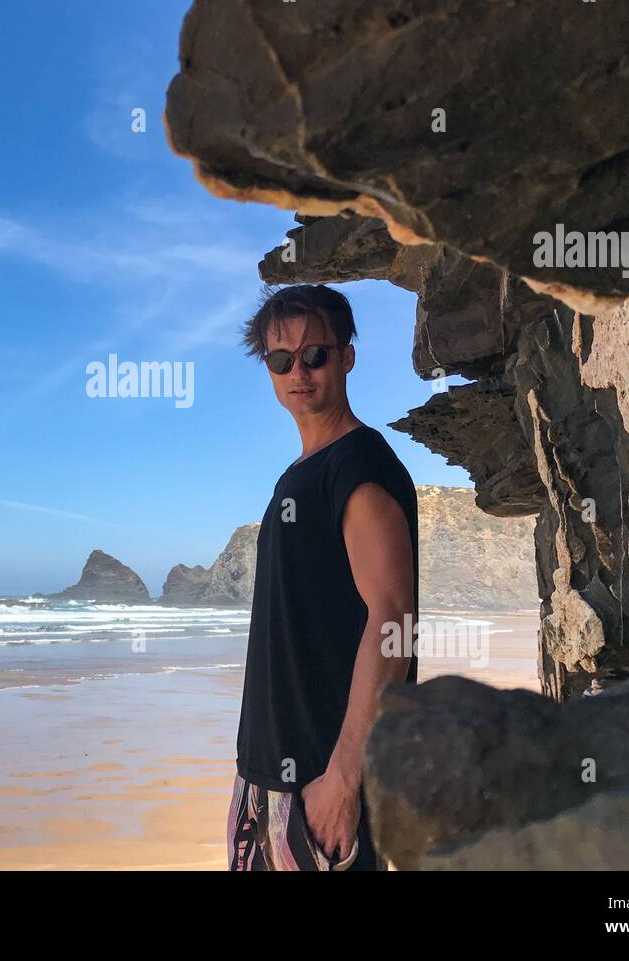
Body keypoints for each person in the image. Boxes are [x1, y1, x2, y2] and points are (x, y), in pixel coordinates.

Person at [227, 284, 418, 871]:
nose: (298, 372)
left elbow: (395, 621)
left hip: (323, 781)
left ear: (347, 357)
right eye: (280, 360)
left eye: (315, 354)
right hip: (269, 780)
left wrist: (343, 778)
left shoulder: (358, 467)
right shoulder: (302, 473)